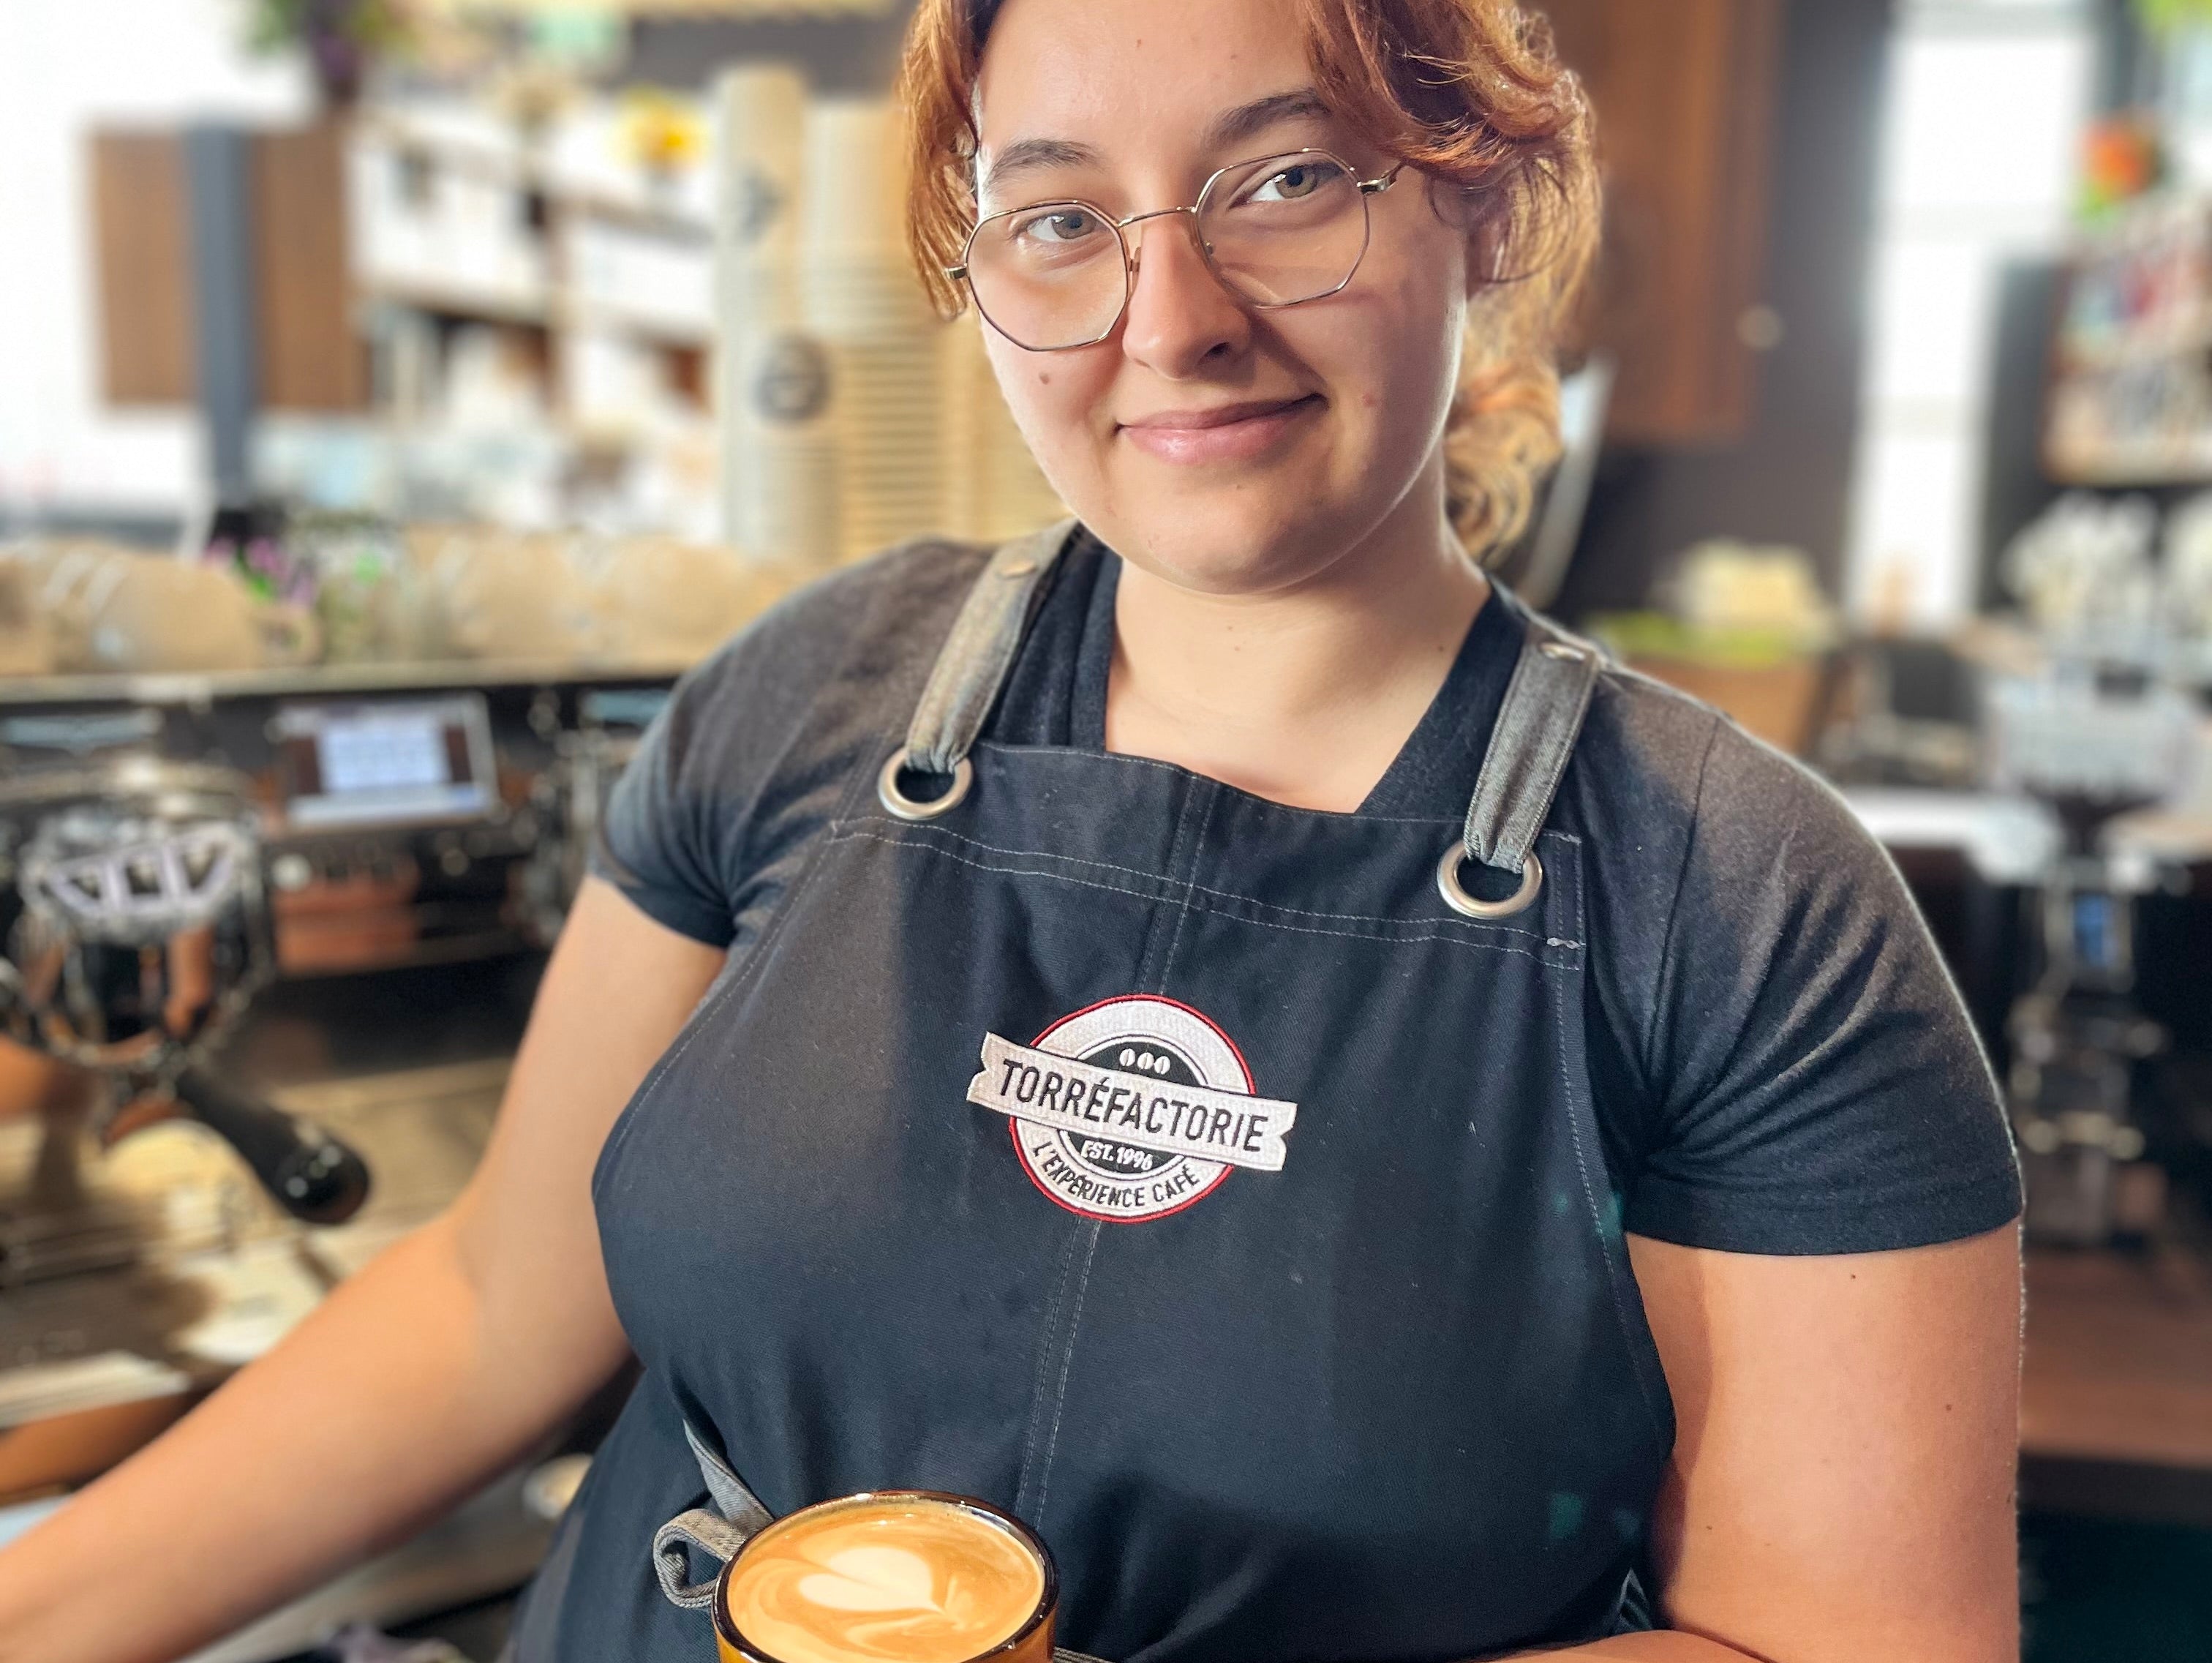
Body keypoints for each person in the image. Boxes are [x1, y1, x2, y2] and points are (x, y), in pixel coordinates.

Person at [0, 0, 2025, 1659]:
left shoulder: (1740, 903)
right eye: (1061, 220)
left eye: (1289, 178)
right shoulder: (806, 702)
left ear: (1479, 202)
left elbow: (1847, 1642)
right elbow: (489, 1309)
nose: (1173, 316)